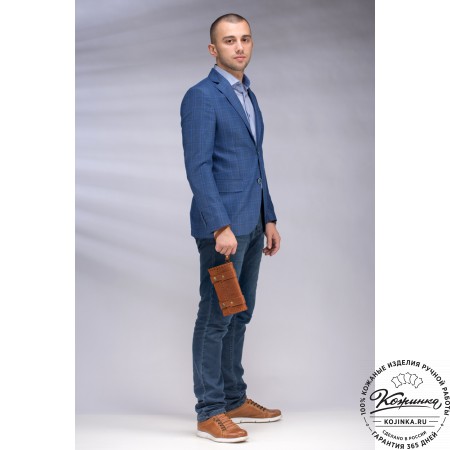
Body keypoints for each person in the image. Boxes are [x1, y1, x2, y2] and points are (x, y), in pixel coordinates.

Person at [180, 13, 282, 443]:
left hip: (252, 224)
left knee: (241, 313)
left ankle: (234, 397)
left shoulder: (247, 95)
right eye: (228, 41)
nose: (239, 47)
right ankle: (209, 411)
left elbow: (255, 163)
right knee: (216, 316)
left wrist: (269, 216)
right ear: (213, 49)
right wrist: (220, 225)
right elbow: (198, 167)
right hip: (223, 231)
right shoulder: (202, 96)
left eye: (245, 39)